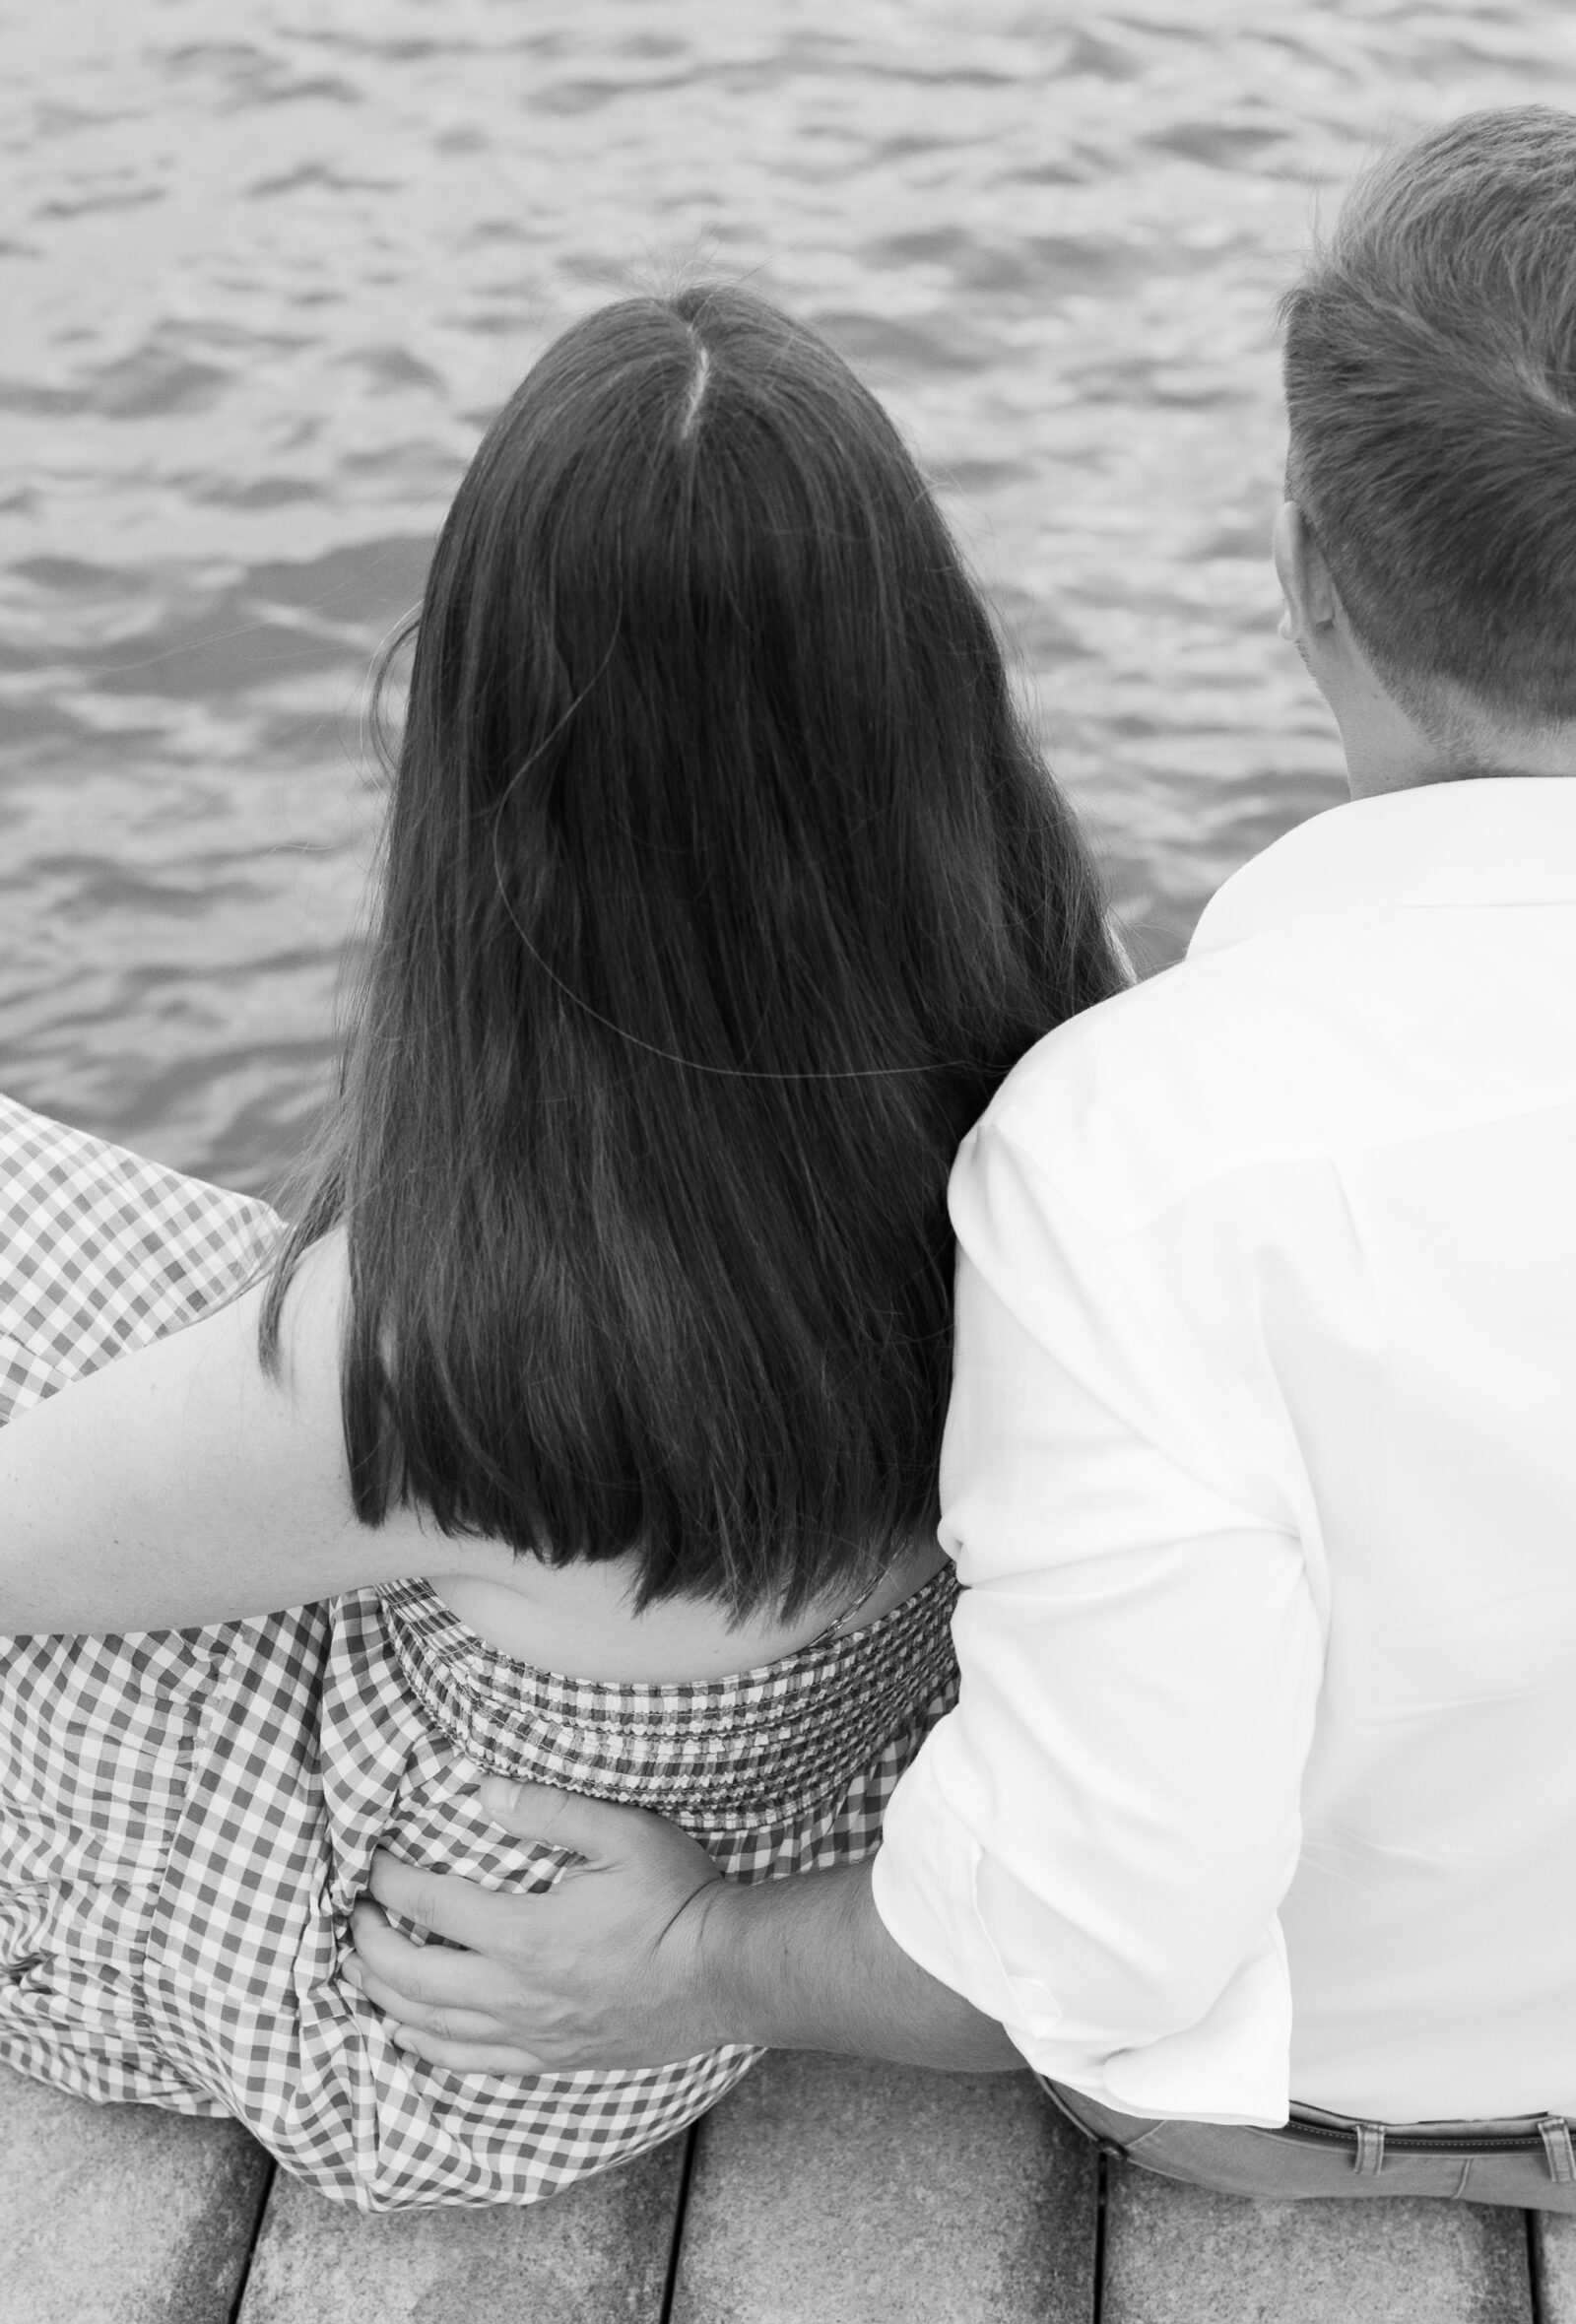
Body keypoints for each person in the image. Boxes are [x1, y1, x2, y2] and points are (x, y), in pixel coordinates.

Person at [342, 106, 1576, 2213]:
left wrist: (691, 1952)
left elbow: (1098, 1929)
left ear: (1303, 575)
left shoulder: (1145, 1159)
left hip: (1359, 2107)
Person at [0, 283, 1123, 2210]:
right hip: (734, 1860)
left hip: (439, 2012)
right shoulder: (1061, 1055)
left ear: (483, 752)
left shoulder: (468, 1337)